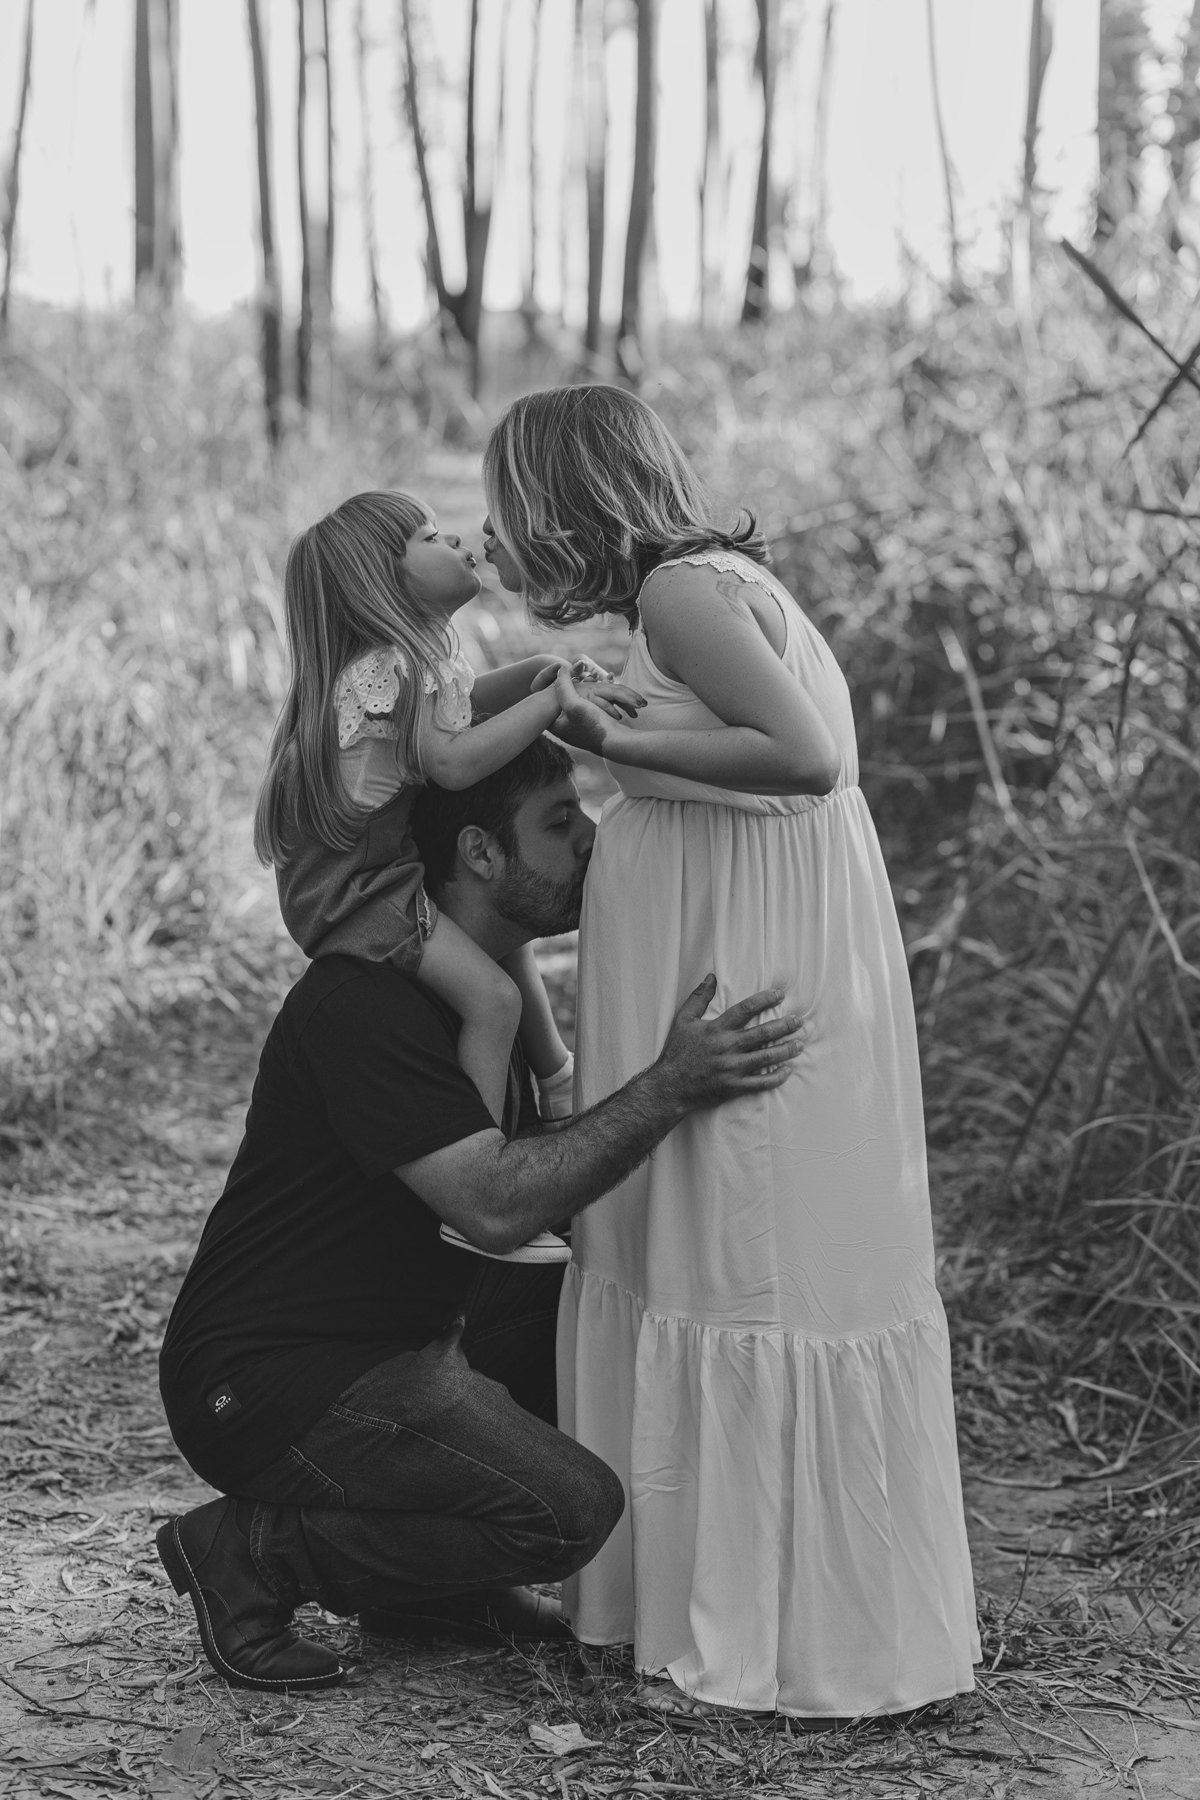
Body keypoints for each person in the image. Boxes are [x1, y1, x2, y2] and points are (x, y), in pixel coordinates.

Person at [481, 384, 980, 1718]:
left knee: (744, 1257)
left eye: (510, 505)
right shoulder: (691, 594)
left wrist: (608, 737)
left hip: (749, 948)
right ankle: (712, 1604)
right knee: (706, 1250)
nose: (499, 531)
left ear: (563, 500)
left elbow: (813, 757)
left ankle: (760, 1631)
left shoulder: (682, 595)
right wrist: (616, 719)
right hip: (732, 927)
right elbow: (746, 749)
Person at [156, 731, 804, 1694]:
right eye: (560, 822)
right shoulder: (363, 1003)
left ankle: (427, 1590)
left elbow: (538, 1180)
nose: (591, 839)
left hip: (399, 1336)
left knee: (597, 1314)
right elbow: (496, 1206)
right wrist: (671, 1086)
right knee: (570, 1511)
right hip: (270, 1382)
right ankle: (250, 1553)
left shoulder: (485, 998)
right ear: (480, 854)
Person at [253, 489, 642, 1262]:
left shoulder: (421, 657)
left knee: (505, 945)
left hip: (371, 871)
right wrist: (553, 703)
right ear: (383, 578)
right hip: (355, 893)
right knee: (493, 999)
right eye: (430, 536)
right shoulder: (389, 667)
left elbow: (472, 708)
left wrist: (549, 674)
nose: (460, 541)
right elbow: (455, 761)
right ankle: (482, 1194)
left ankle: (556, 1085)